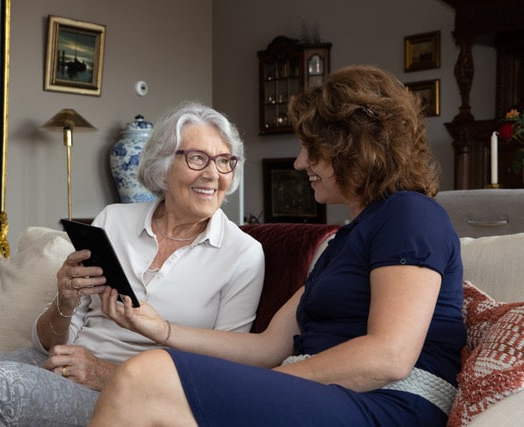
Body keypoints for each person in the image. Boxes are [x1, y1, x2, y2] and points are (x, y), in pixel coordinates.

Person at [89, 65, 467, 426]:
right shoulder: (345, 240)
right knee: (156, 385)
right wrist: (161, 329)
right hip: (328, 394)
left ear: (352, 148)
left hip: (388, 403)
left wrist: (277, 382)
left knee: (146, 375)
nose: (301, 163)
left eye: (311, 148)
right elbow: (267, 348)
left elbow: (389, 357)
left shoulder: (410, 214)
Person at [0, 101, 265, 426]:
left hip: (132, 394)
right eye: (198, 158)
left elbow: (225, 376)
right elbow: (48, 343)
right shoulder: (114, 220)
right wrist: (64, 302)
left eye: (225, 161)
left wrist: (107, 374)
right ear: (163, 167)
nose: (214, 174)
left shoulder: (242, 254)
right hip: (58, 363)